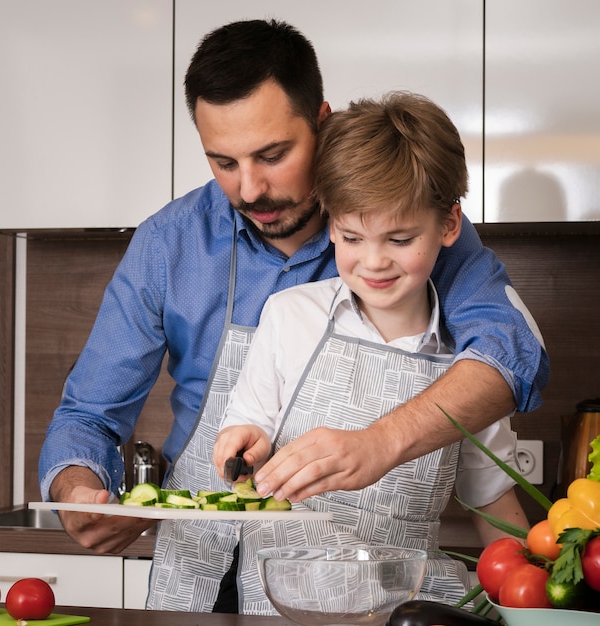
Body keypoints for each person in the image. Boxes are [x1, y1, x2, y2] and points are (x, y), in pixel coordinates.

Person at [38, 19, 547, 613]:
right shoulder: (167, 245)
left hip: (359, 584)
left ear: (323, 122)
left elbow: (509, 353)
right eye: (223, 162)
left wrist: (380, 442)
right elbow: (87, 414)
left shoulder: (415, 226)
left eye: (273, 155)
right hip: (195, 570)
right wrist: (78, 491)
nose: (250, 188)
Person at [212, 91, 529, 614]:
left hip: (406, 608)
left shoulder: (469, 364)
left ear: (449, 225)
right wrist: (242, 447)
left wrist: (534, 599)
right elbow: (246, 428)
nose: (374, 262)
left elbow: (492, 502)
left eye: (400, 238)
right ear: (331, 222)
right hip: (284, 609)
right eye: (352, 237)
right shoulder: (289, 315)